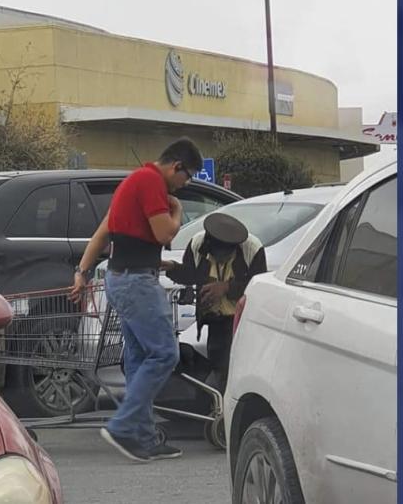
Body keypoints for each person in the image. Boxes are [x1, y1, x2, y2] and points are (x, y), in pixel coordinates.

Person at [70, 137, 203, 462]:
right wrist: (178, 211)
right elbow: (164, 234)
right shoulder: (150, 182)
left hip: (123, 277)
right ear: (177, 167)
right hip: (134, 282)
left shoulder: (134, 182)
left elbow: (108, 233)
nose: (184, 186)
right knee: (164, 354)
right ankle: (124, 426)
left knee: (140, 357)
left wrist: (82, 270)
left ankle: (142, 436)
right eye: (187, 177)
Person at [162, 213, 267, 393]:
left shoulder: (252, 248)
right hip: (214, 321)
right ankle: (219, 410)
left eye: (227, 256)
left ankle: (226, 409)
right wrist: (172, 267)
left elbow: (258, 287)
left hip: (242, 321)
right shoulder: (197, 245)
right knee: (219, 368)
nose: (221, 261)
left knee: (236, 370)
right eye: (218, 257)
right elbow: (190, 274)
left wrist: (226, 287)